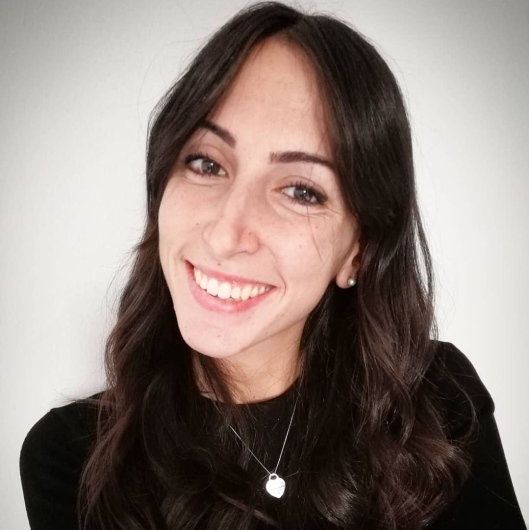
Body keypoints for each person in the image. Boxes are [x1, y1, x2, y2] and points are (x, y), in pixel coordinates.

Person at [20, 2, 526, 529]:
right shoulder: (71, 460)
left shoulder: (437, 403)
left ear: (357, 252)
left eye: (301, 191)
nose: (226, 233)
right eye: (206, 163)